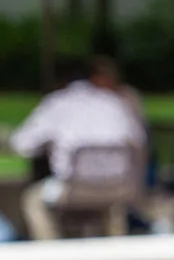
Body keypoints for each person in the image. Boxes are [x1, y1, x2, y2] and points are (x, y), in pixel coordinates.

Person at [8, 56, 146, 239]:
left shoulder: (56, 103)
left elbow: (22, 144)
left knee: (32, 200)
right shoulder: (114, 103)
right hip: (119, 189)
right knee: (109, 206)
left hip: (73, 190)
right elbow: (138, 142)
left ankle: (50, 254)